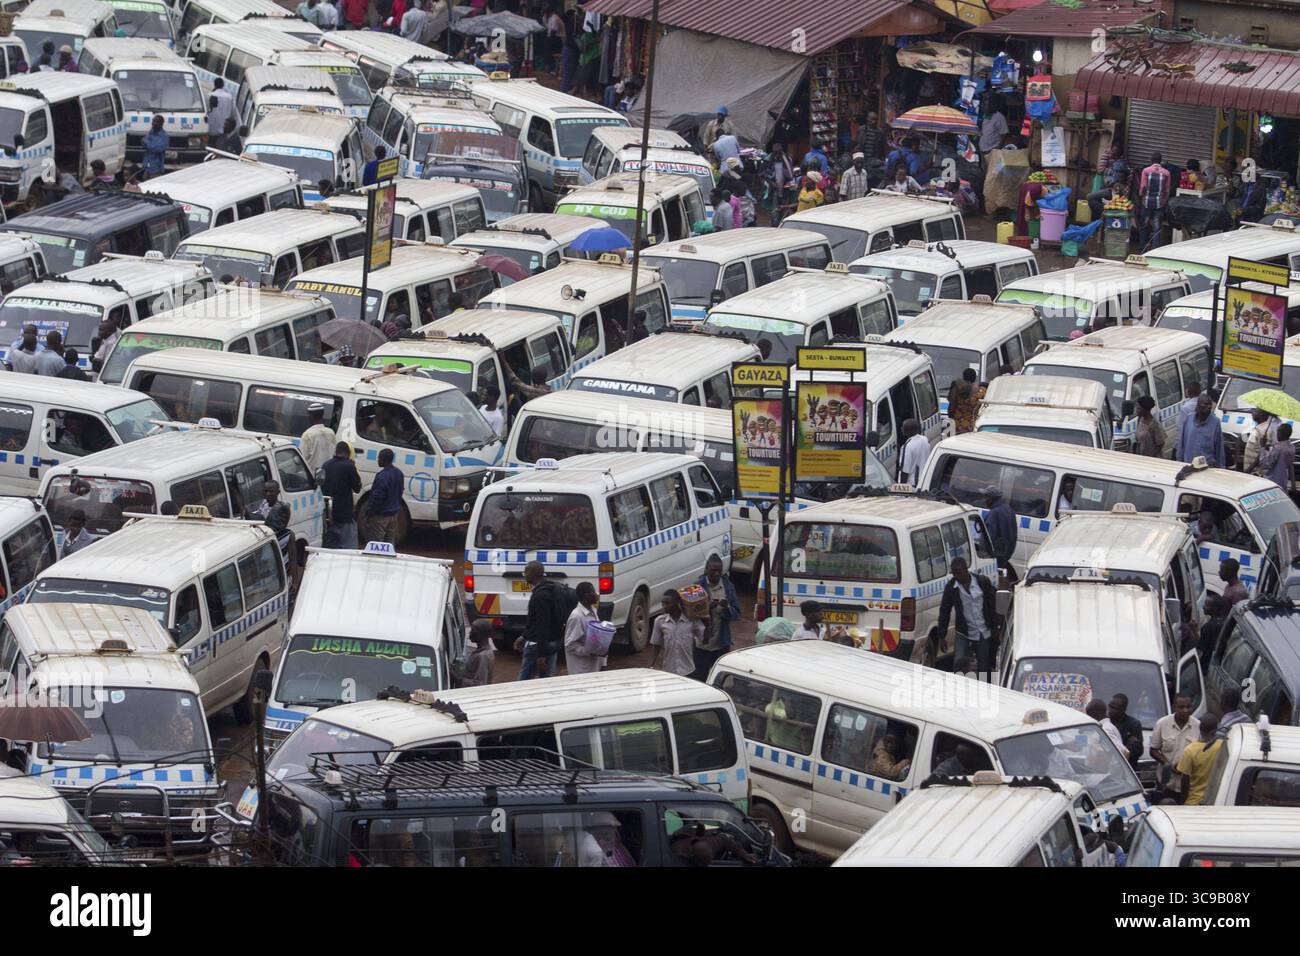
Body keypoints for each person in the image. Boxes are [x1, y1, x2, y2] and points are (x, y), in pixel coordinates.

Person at [934, 556, 999, 671]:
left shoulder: (982, 582)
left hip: (982, 631)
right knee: (958, 665)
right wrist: (941, 635)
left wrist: (996, 628)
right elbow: (944, 611)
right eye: (954, 574)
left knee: (983, 666)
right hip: (963, 632)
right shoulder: (951, 588)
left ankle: (983, 686)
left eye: (959, 573)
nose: (957, 577)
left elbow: (993, 606)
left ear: (966, 570)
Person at [693, 556, 739, 679]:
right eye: (713, 570)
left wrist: (726, 608)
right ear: (707, 569)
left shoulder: (728, 587)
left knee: (719, 678)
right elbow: (690, 614)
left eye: (719, 570)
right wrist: (707, 607)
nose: (717, 574)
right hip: (701, 644)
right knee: (699, 678)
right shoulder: (697, 587)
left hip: (721, 644)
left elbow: (736, 613)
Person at [514, 561, 561, 679]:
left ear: (533, 573)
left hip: (538, 645)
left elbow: (542, 624)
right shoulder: (550, 589)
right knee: (547, 679)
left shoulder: (540, 596)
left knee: (524, 681)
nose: (524, 575)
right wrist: (524, 636)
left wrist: (541, 654)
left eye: (526, 572)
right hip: (553, 641)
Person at [1150, 694, 1198, 798]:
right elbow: (1153, 750)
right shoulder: (1162, 723)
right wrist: (1168, 765)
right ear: (1174, 707)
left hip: (1188, 786)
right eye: (1181, 707)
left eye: (1188, 707)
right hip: (1165, 784)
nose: (1185, 710)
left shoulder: (1198, 726)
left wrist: (1185, 766)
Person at [649, 589, 702, 677]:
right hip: (669, 671)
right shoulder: (659, 621)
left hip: (688, 671)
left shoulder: (691, 620)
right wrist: (651, 665)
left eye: (667, 603)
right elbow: (656, 645)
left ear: (677, 603)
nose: (664, 606)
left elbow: (704, 639)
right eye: (663, 603)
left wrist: (707, 623)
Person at [1174, 714, 1223, 806]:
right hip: (1215, 801)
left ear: (1200, 729)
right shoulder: (1222, 746)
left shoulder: (1190, 750)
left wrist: (1183, 802)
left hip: (1193, 802)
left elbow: (1185, 781)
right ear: (1215, 730)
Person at [321, 441, 361, 549]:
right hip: (344, 514)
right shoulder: (349, 466)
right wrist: (354, 468)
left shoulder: (325, 465)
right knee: (349, 547)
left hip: (328, 514)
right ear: (348, 454)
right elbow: (357, 488)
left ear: (336, 451)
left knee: (330, 545)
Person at [562, 581, 602, 675]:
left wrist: (603, 662)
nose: (596, 594)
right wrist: (588, 651)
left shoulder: (594, 611)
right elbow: (569, 645)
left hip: (594, 667)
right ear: (586, 595)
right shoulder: (577, 616)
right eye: (593, 592)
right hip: (581, 670)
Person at [1176, 393, 1225, 466]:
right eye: (1205, 404)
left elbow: (1219, 447)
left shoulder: (1215, 422)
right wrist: (1179, 461)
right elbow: (1182, 442)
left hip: (1206, 466)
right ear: (1198, 405)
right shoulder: (1189, 419)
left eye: (1210, 405)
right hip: (1189, 464)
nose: (1208, 407)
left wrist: (1221, 468)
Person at [366, 448, 403, 544]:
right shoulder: (399, 473)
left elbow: (377, 498)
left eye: (379, 458)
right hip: (393, 515)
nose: (377, 460)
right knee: (389, 543)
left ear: (383, 459)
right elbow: (400, 491)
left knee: (377, 544)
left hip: (380, 517)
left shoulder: (382, 476)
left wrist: (370, 512)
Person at [1087, 144, 1131, 222]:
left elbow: (1115, 181)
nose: (1112, 153)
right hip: (1110, 190)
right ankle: (1102, 215)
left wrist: (1107, 185)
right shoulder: (1113, 162)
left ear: (1119, 153)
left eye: (1114, 151)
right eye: (1112, 151)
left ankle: (1105, 212)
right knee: (1092, 201)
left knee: (1089, 197)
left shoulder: (1119, 164)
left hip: (1111, 191)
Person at [1138, 151, 1171, 249]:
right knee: (1157, 227)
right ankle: (1155, 248)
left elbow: (1142, 188)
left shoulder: (1146, 171)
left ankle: (1142, 247)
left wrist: (1141, 197)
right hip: (1159, 204)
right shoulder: (1166, 173)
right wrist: (1164, 201)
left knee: (1144, 226)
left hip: (1147, 203)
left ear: (1151, 160)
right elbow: (1167, 190)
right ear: (1161, 161)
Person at [984, 487, 1017, 581]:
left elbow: (990, 538)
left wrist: (986, 554)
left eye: (986, 497)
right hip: (1006, 554)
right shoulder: (1009, 509)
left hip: (995, 556)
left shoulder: (995, 513)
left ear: (991, 498)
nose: (984, 500)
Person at [1107, 693, 1144, 768]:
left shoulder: (1133, 724)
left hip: (1127, 769)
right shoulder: (1105, 723)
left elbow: (1138, 750)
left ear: (1123, 709)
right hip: (1107, 767)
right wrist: (1126, 746)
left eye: (1114, 708)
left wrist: (1117, 750)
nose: (1110, 710)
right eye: (1109, 706)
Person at [299, 403, 336, 474]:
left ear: (311, 416)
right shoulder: (331, 433)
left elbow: (302, 460)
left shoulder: (307, 435)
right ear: (322, 415)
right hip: (329, 475)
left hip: (314, 477)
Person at [1257, 422, 1295, 490]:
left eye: (1278, 431)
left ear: (1281, 433)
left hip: (1272, 481)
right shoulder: (1292, 447)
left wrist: (1262, 446)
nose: (1277, 433)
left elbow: (1264, 464)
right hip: (1283, 480)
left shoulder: (1278, 448)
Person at [459, 618, 496, 687]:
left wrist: (459, 679)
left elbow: (479, 684)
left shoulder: (483, 656)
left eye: (473, 630)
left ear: (481, 633)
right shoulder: (482, 652)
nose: (470, 632)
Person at [1241, 407, 1280, 473]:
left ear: (1263, 415)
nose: (1253, 413)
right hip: (1250, 468)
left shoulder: (1264, 430)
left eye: (1256, 411)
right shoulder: (1258, 427)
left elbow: (1263, 453)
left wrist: (1249, 469)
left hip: (1256, 471)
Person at [948, 367, 983, 435]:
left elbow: (951, 405)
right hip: (972, 425)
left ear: (963, 376)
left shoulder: (957, 388)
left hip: (957, 424)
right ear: (974, 378)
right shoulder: (980, 392)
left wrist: (951, 419)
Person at [898, 418, 929, 486]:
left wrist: (901, 488)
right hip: (925, 480)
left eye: (903, 427)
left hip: (912, 484)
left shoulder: (908, 447)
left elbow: (905, 471)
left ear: (909, 431)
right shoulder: (924, 439)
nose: (901, 428)